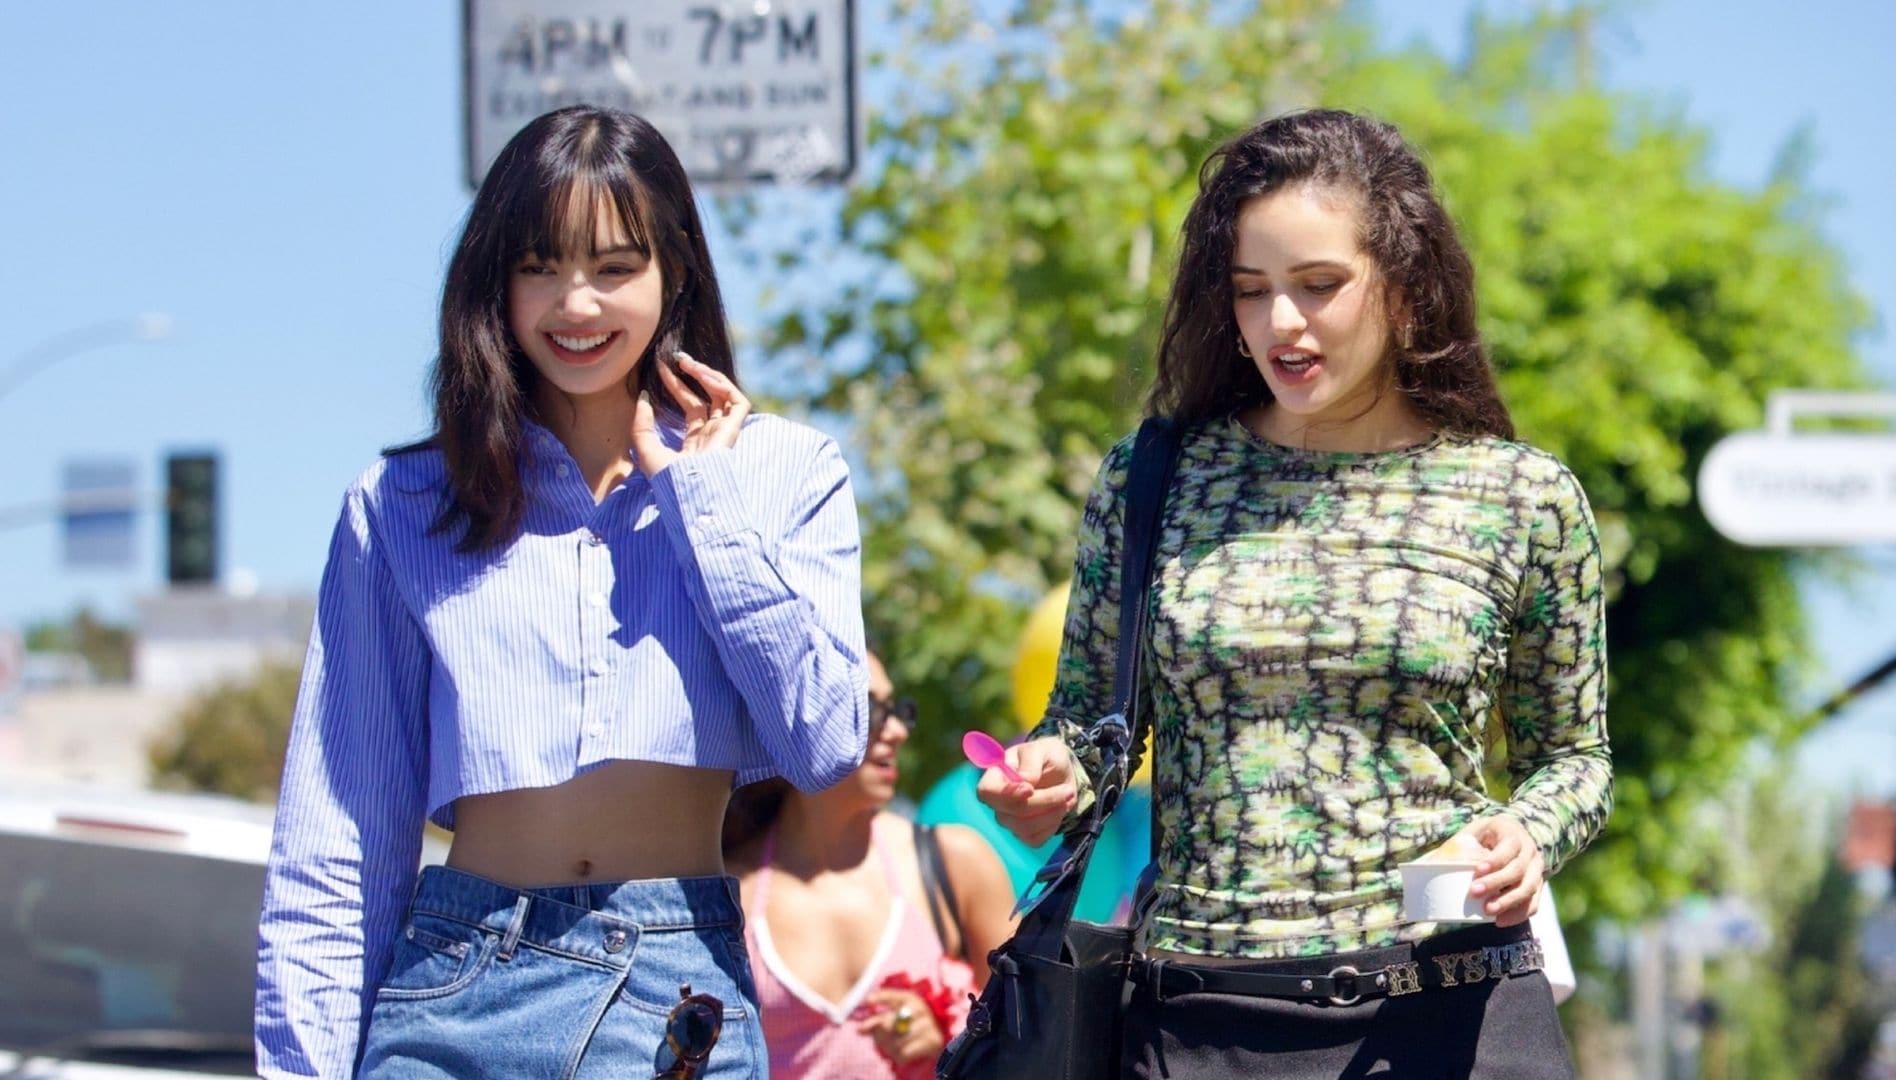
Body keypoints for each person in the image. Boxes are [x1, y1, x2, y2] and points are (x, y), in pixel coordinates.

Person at [979, 108, 1611, 1078]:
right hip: (1196, 1023)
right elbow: (1089, 729)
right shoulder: (1156, 477)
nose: (1282, 323)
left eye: (1319, 286)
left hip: (1443, 1011)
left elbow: (1576, 759)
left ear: (1404, 283)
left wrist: (1527, 833)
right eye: (1251, 291)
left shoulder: (1522, 497)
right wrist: (1050, 779)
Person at [254, 105, 869, 1079]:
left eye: (615, 268)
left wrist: (702, 502)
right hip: (449, 986)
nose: (575, 305)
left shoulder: (786, 474)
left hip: (669, 994)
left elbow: (824, 741)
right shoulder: (403, 506)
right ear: (495, 281)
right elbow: (339, 847)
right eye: (540, 264)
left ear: (676, 274)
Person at [723, 650, 1016, 1079]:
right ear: (791, 724)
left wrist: (947, 1033)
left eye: (896, 711)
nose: (896, 731)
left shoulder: (954, 861)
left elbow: (1032, 1029)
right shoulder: (728, 887)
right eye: (868, 711)